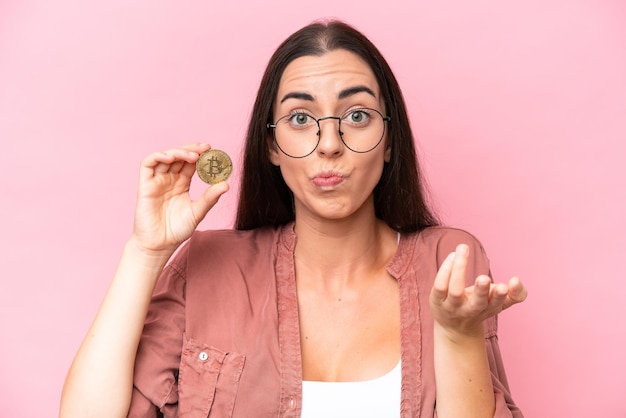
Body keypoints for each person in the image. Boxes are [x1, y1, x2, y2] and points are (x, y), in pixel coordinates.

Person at [60, 19, 528, 418]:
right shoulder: (208, 267)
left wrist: (457, 334)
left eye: (358, 115)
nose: (329, 144)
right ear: (271, 146)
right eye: (301, 119)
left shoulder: (448, 259)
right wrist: (146, 252)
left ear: (389, 141)